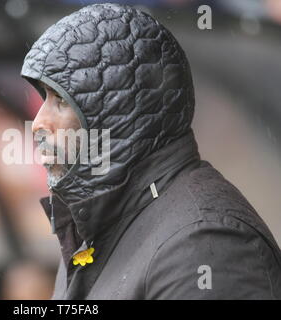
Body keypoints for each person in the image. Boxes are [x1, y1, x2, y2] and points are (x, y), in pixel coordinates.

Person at [20, 3, 281, 299]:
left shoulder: (205, 242)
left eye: (61, 100)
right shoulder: (98, 224)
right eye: (44, 98)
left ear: (117, 112)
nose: (38, 123)